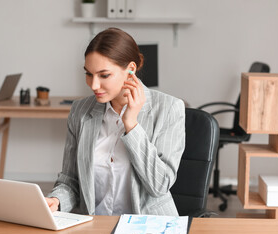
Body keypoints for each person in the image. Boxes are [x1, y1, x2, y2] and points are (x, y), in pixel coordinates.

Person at [46, 27, 185, 216]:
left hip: (148, 228)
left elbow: (159, 185)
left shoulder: (169, 109)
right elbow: (70, 180)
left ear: (131, 70)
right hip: (94, 227)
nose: (94, 85)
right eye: (88, 74)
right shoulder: (80, 111)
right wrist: (56, 200)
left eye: (104, 75)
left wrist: (131, 125)